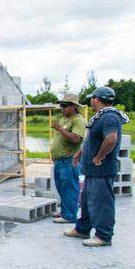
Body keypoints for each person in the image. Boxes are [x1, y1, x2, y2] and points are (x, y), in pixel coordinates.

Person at [65, 86, 128, 247]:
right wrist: (81, 153)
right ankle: (82, 228)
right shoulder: (101, 117)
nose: (90, 102)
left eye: (92, 99)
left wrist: (99, 157)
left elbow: (111, 139)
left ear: (97, 99)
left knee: (102, 203)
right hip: (92, 171)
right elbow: (92, 140)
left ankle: (104, 236)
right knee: (86, 201)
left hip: (102, 169)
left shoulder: (110, 117)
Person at [49, 94, 87, 224]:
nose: (62, 109)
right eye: (61, 106)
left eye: (65, 106)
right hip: (60, 160)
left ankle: (70, 215)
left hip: (70, 160)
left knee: (70, 188)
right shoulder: (64, 119)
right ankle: (65, 211)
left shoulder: (78, 120)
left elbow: (76, 138)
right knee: (61, 187)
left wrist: (59, 129)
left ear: (73, 107)